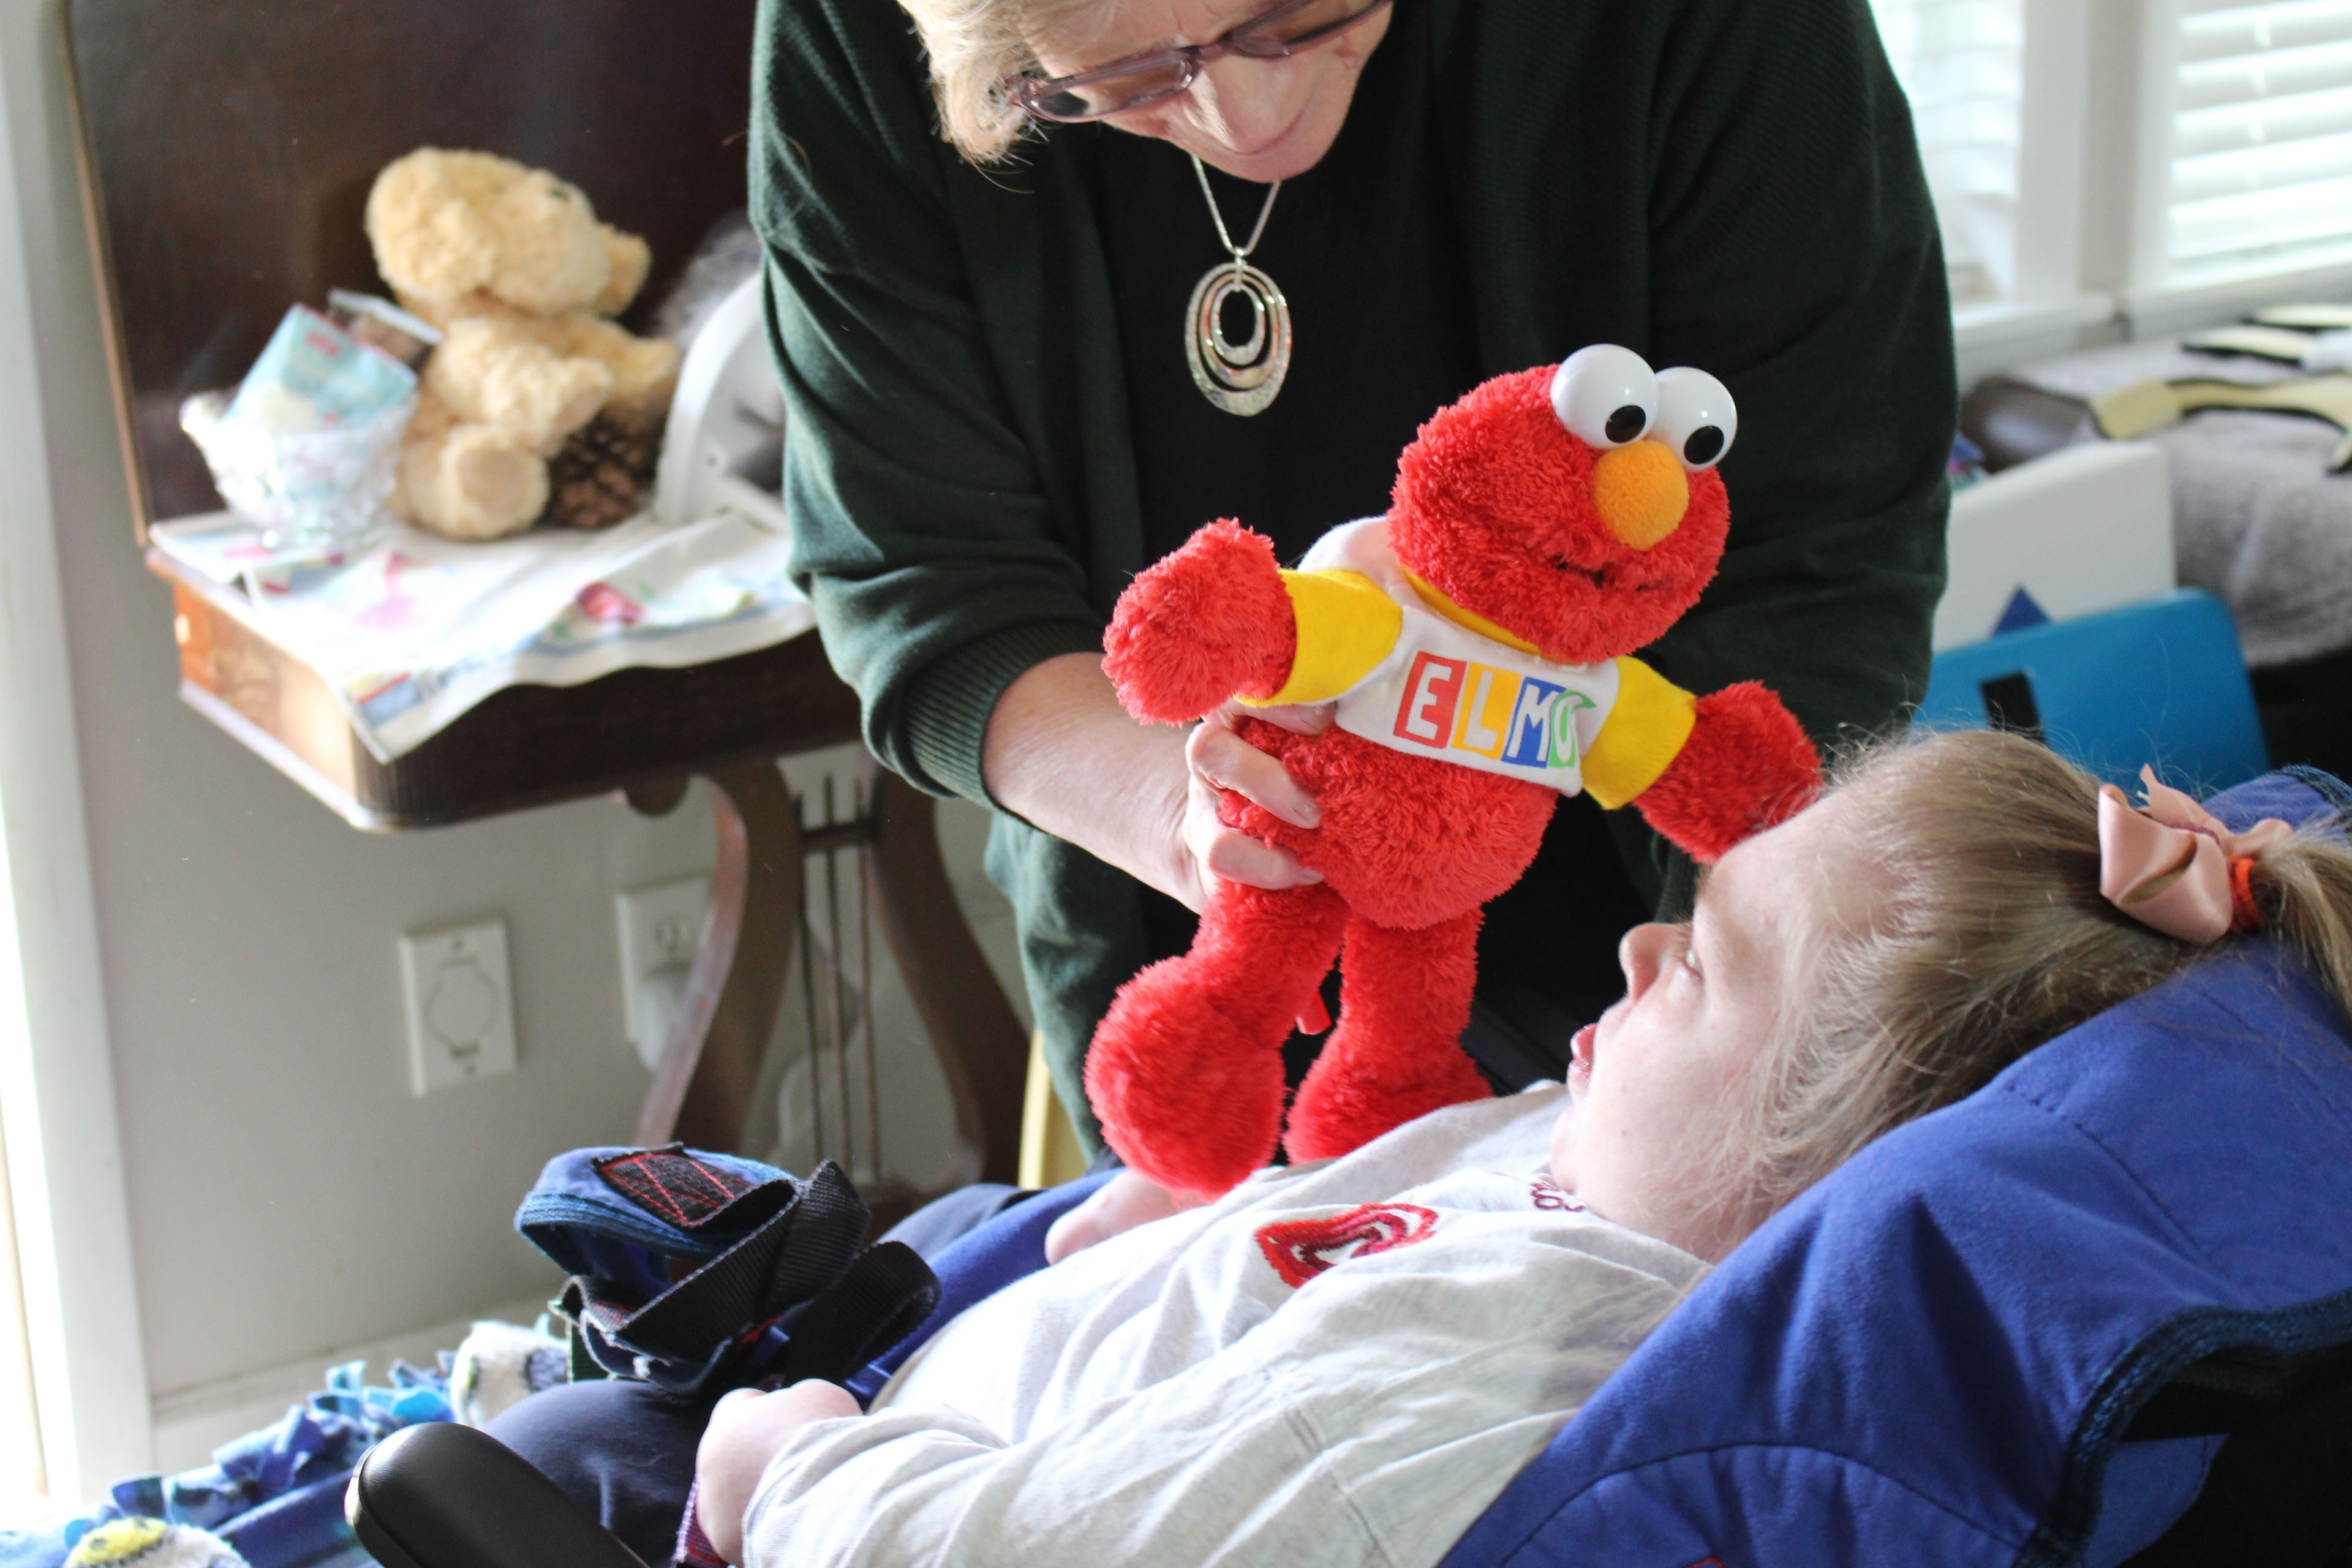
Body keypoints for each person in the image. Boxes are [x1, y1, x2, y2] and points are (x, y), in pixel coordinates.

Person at [685, 729, 2352, 1567]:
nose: (1634, 957)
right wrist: (1190, 1228)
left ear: (1818, 1171)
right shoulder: (1619, 1156)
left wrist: (791, 1464)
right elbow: (1412, 1204)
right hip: (993, 1329)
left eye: (1700, 965)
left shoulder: (1455, 1399)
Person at [750, 0, 1958, 1148]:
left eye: (1296, 20)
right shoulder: (857, 33)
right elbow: (924, 578)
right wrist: (1190, 821)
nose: (1241, 119)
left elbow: (1825, 549)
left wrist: (1721, 1018)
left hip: (1671, 995)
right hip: (1193, 1012)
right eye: (1116, 81)